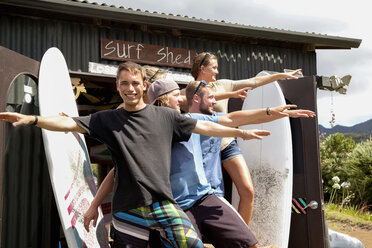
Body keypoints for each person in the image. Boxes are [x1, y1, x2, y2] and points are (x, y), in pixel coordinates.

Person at [0, 62, 258, 248]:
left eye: (135, 83)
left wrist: (240, 133)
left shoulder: (165, 117)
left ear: (144, 86)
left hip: (162, 203)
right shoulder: (108, 120)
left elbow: (204, 126)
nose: (130, 88)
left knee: (192, 244)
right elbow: (68, 124)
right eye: (124, 83)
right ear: (118, 86)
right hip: (127, 209)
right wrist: (32, 118)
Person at [188, 52, 304, 225]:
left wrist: (280, 76)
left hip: (226, 142)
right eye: (214, 67)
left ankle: (242, 238)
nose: (217, 71)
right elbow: (186, 100)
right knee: (202, 197)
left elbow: (253, 82)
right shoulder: (190, 89)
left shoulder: (224, 85)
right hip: (201, 148)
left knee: (248, 190)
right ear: (202, 68)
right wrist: (230, 95)